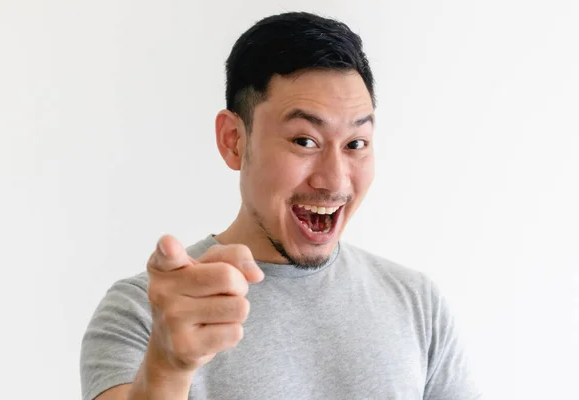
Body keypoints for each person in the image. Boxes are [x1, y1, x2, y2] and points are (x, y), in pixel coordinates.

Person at [80, 11, 482, 400]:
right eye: (304, 141)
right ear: (234, 140)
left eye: (355, 144)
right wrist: (167, 368)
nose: (335, 180)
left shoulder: (417, 304)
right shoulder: (143, 312)